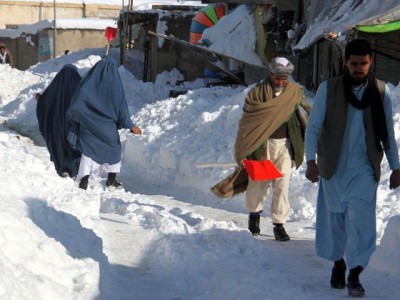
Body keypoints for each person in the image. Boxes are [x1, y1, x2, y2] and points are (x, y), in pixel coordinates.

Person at [304, 39, 400, 297]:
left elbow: (388, 133)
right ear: (346, 62)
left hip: (365, 168)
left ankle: (355, 273)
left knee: (361, 220)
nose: (359, 68)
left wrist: (396, 166)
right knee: (335, 220)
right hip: (333, 165)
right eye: (354, 63)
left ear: (370, 63)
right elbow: (313, 127)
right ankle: (338, 262)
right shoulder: (329, 89)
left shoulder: (381, 91)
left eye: (364, 64)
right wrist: (310, 161)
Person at [234, 57, 311, 241]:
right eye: (277, 78)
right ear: (270, 74)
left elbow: (306, 114)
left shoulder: (294, 93)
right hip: (262, 145)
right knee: (258, 183)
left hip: (285, 145)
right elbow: (248, 121)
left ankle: (279, 225)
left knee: (282, 184)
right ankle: (254, 216)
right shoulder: (257, 94)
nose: (280, 82)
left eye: (284, 79)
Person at [67, 56, 142, 190]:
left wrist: (79, 117)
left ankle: (84, 179)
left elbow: (76, 105)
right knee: (114, 151)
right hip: (107, 128)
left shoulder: (87, 84)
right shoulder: (114, 87)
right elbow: (121, 109)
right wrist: (130, 125)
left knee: (87, 152)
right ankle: (111, 180)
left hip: (87, 125)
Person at [36, 64, 82, 178]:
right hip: (74, 124)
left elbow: (45, 102)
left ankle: (62, 168)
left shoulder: (55, 86)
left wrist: (39, 98)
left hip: (57, 124)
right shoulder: (80, 85)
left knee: (58, 145)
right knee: (74, 145)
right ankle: (74, 168)